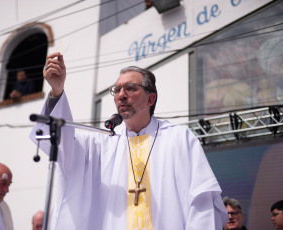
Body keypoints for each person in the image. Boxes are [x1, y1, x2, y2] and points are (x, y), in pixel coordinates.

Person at [29, 52, 228, 229]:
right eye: (117, 90)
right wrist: (57, 91)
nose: (121, 95)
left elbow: (202, 202)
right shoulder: (102, 143)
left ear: (150, 99)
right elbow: (64, 144)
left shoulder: (179, 138)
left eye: (130, 88)